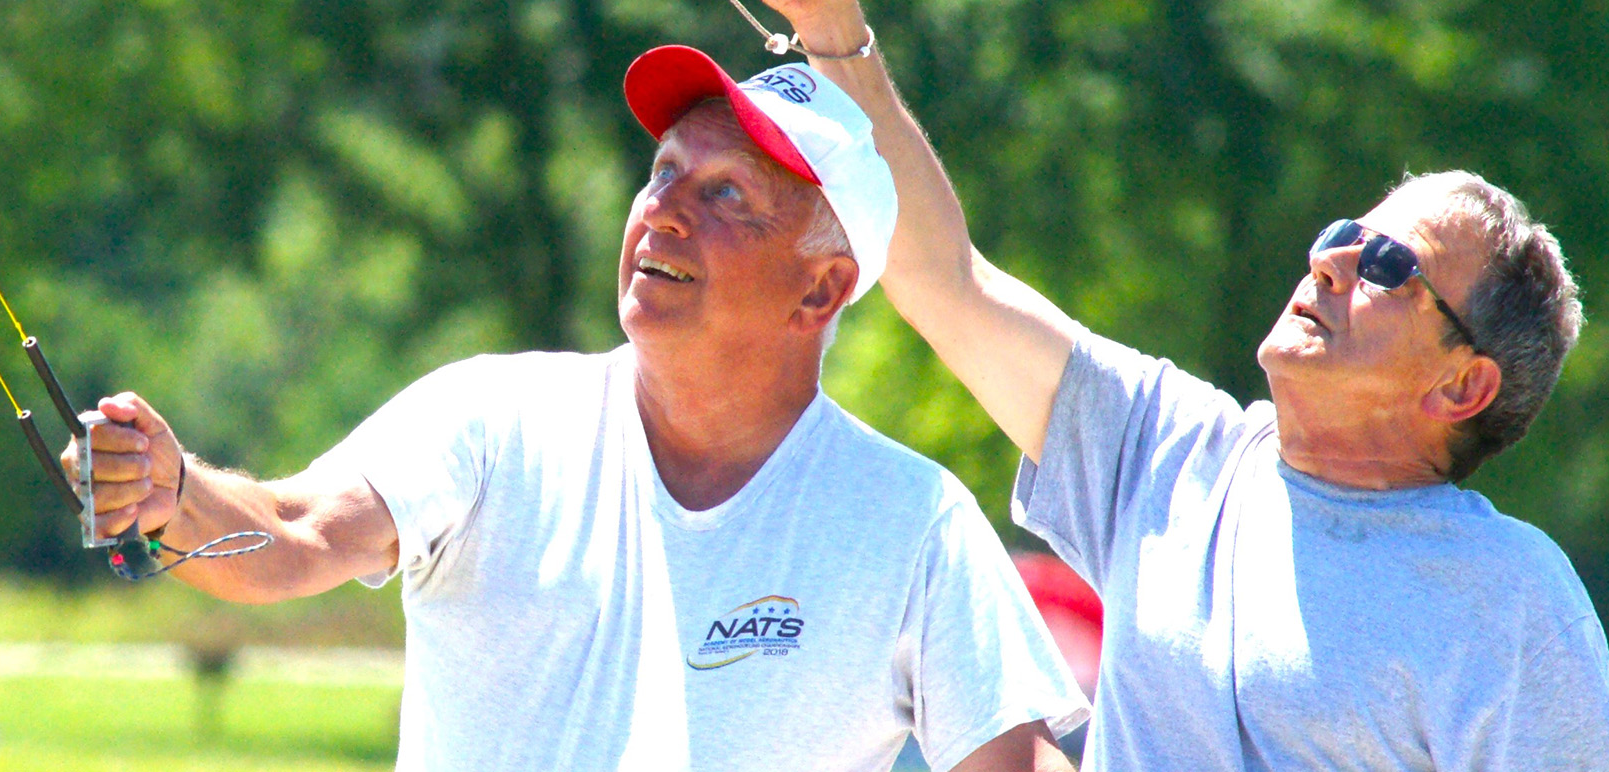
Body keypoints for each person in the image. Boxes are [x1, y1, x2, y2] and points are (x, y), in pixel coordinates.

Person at [710, 0, 1609, 768]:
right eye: (1347, 233)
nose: (1332, 259)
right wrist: (831, 25)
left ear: (1464, 384)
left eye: (1390, 267)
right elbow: (944, 281)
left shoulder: (1509, 597)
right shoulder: (1169, 451)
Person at [65, 43, 1088, 770]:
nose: (665, 212)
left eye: (728, 193)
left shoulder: (912, 521)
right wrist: (174, 490)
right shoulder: (491, 419)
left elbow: (1016, 759)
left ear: (821, 290)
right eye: (665, 172)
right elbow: (296, 537)